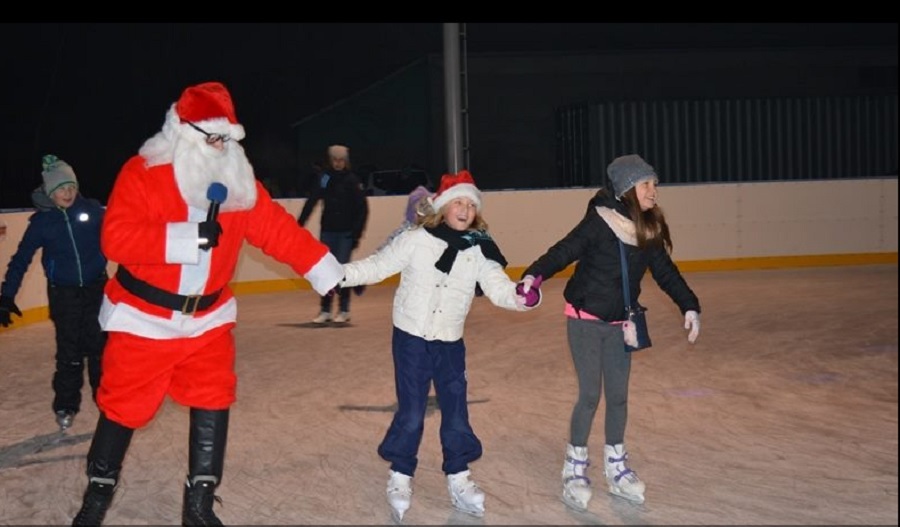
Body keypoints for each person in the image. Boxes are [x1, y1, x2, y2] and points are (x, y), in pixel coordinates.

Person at [70, 81, 343, 526]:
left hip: (208, 320)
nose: (220, 147)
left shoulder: (237, 182)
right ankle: (97, 495)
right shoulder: (141, 173)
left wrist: (320, 266)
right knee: (123, 405)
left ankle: (198, 505)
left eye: (226, 139)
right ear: (183, 131)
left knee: (214, 397)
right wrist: (181, 239)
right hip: (145, 319)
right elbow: (115, 238)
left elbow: (274, 228)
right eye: (211, 138)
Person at [339, 169, 540, 522]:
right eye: (457, 202)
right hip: (411, 337)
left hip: (449, 341)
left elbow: (498, 287)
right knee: (413, 411)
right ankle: (400, 474)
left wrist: (523, 297)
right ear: (443, 206)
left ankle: (459, 476)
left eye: (470, 204)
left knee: (456, 410)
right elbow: (377, 266)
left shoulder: (480, 249)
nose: (464, 209)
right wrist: (338, 273)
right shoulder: (416, 239)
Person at [518, 154, 701, 509]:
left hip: (621, 324)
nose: (654, 191)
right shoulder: (599, 222)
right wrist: (534, 275)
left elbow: (666, 272)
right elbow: (564, 251)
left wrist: (689, 304)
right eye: (647, 184)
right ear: (628, 188)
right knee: (590, 395)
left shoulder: (649, 230)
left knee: (617, 396)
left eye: (655, 184)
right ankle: (574, 466)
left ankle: (616, 467)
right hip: (585, 317)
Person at [0, 155, 108, 432]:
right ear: (50, 191)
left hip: (97, 289)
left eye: (71, 186)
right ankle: (66, 405)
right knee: (69, 352)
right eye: (61, 188)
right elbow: (21, 258)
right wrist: (6, 296)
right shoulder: (42, 223)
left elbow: (120, 235)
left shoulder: (93, 210)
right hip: (64, 295)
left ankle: (107, 401)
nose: (68, 193)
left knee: (100, 350)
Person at [297, 144, 369, 324]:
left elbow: (362, 209)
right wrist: (299, 223)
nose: (338, 163)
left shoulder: (352, 180)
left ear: (346, 161)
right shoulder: (325, 178)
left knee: (341, 271)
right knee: (326, 270)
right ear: (331, 160)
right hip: (328, 231)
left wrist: (356, 235)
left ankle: (344, 309)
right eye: (335, 160)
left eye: (341, 160)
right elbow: (313, 199)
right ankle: (325, 309)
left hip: (346, 233)